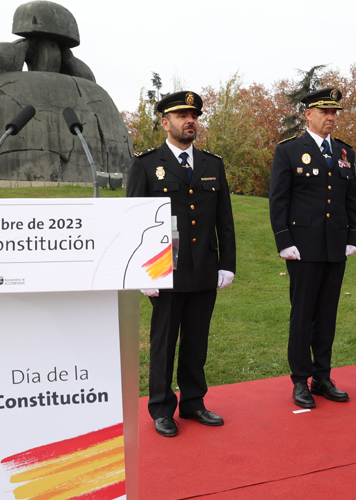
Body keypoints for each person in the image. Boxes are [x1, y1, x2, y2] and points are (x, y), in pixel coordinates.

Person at [126, 91, 237, 437]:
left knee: (196, 341)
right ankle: (161, 407)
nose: (190, 121)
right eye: (181, 115)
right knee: (164, 342)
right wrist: (140, 270)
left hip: (203, 268)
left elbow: (225, 219)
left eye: (194, 115)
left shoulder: (211, 164)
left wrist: (227, 264)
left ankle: (193, 402)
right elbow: (132, 221)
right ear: (165, 122)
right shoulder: (146, 164)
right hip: (163, 270)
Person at [268, 87, 356, 408]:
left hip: (335, 245)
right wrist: (284, 241)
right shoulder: (290, 150)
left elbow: (352, 199)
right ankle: (300, 380)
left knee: (327, 314)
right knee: (303, 314)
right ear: (308, 114)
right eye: (324, 112)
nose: (331, 118)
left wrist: (353, 237)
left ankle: (322, 376)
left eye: (334, 113)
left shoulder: (346, 153)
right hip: (303, 247)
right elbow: (279, 199)